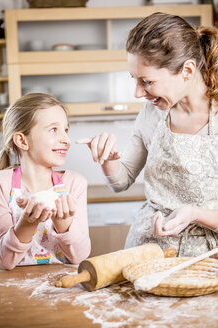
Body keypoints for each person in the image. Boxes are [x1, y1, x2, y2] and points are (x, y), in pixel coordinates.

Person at [76, 12, 218, 257]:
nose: (138, 93)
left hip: (208, 258)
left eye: (147, 81)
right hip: (148, 252)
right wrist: (109, 159)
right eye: (134, 79)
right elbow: (122, 181)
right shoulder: (152, 113)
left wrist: (194, 214)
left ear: (187, 70)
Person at [0, 93, 91, 270]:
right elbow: (5, 261)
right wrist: (27, 224)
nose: (66, 140)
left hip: (60, 288)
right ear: (22, 141)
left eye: (66, 130)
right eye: (53, 130)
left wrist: (64, 225)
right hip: (12, 290)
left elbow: (80, 257)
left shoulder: (74, 184)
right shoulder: (2, 185)